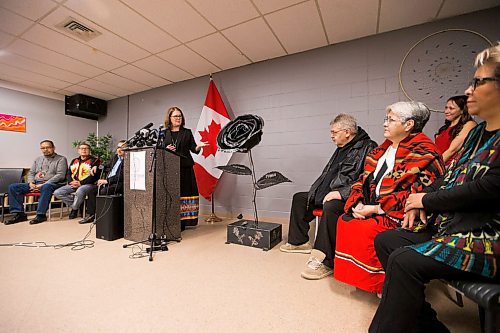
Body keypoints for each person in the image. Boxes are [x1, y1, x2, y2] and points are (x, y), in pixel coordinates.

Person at [369, 43, 500, 333]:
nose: (468, 90)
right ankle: (426, 325)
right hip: (455, 224)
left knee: (404, 260)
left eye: (478, 82)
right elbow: (451, 173)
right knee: (388, 241)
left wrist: (426, 201)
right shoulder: (479, 131)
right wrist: (419, 200)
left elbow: (489, 187)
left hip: (488, 235)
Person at [333, 101, 445, 294]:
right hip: (374, 205)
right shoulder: (382, 149)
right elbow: (362, 179)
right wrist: (358, 201)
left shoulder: (426, 151)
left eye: (390, 120)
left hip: (400, 214)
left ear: (408, 125)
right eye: (386, 119)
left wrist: (376, 209)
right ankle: (365, 280)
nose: (385, 123)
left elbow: (420, 193)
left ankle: (384, 284)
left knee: (368, 228)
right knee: (345, 221)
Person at [279, 114, 377, 280]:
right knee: (300, 198)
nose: (331, 135)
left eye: (334, 132)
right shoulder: (342, 147)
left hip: (351, 196)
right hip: (330, 192)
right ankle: (299, 242)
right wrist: (317, 191)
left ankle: (325, 261)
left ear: (347, 132)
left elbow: (368, 180)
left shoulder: (369, 147)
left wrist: (342, 193)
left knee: (330, 207)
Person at [161, 107, 207, 231]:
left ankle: (185, 222)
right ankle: (172, 220)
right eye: (175, 116)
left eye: (180, 116)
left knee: (185, 194)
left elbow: (194, 149)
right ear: (169, 118)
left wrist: (199, 146)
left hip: (185, 168)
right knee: (172, 195)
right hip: (170, 169)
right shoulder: (163, 133)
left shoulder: (187, 132)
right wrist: (166, 149)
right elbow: (159, 150)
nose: (178, 118)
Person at [5, 140, 68, 225]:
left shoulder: (61, 159)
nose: (45, 150)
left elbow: (60, 175)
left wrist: (43, 184)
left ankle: (41, 215)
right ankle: (19, 214)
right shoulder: (38, 159)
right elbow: (31, 173)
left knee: (46, 187)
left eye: (48, 147)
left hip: (53, 183)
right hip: (36, 183)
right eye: (43, 148)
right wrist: (31, 182)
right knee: (13, 187)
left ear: (53, 148)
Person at [80, 140, 126, 224]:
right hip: (108, 182)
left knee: (103, 191)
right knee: (91, 190)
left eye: (122, 148)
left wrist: (107, 180)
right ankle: (91, 215)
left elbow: (122, 176)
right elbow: (105, 165)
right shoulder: (115, 157)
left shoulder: (128, 159)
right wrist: (96, 167)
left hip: (119, 183)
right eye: (118, 147)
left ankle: (101, 216)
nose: (119, 150)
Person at [53, 143, 101, 221]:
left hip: (89, 185)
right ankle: (77, 205)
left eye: (86, 148)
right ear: (78, 150)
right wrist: (71, 182)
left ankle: (74, 209)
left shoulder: (95, 161)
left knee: (80, 190)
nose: (84, 150)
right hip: (74, 183)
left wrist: (81, 183)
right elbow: (69, 173)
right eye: (82, 148)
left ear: (89, 150)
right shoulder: (74, 160)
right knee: (58, 192)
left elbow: (94, 176)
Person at [434, 95, 476, 165]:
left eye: (451, 108)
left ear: (462, 110)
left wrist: (436, 167)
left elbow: (452, 150)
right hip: (439, 165)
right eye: (446, 108)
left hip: (450, 168)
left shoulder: (469, 124)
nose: (446, 111)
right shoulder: (445, 128)